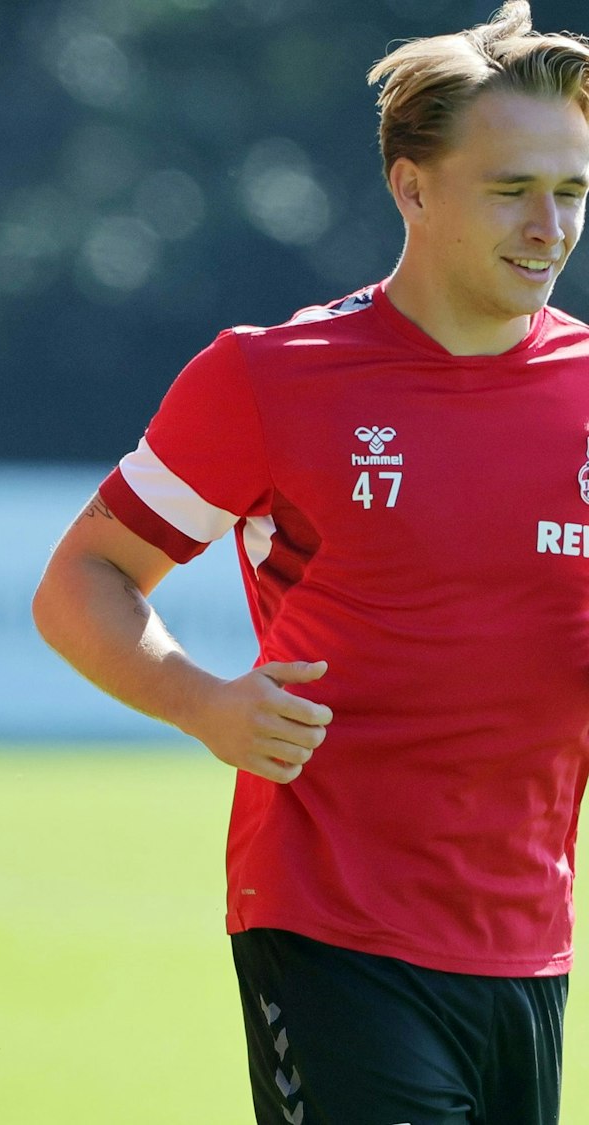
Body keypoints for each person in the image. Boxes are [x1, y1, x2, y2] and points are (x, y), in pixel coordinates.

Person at [32, 4, 589, 1122]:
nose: (547, 226)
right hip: (330, 926)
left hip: (527, 945)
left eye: (570, 191)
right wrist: (204, 704)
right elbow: (80, 581)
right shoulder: (272, 379)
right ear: (410, 187)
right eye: (509, 189)